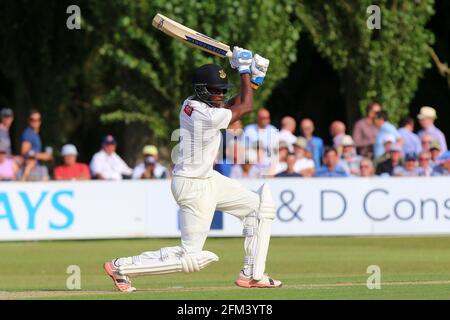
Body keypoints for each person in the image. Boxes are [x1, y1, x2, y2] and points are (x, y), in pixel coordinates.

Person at [103, 49, 281, 291]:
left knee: (259, 208)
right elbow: (246, 107)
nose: (219, 96)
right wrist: (244, 71)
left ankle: (252, 274)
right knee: (191, 256)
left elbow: (236, 104)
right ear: (201, 89)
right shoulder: (202, 114)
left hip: (208, 179)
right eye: (214, 90)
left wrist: (254, 80)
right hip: (193, 185)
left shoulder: (194, 103)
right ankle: (120, 267)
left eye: (221, 90)